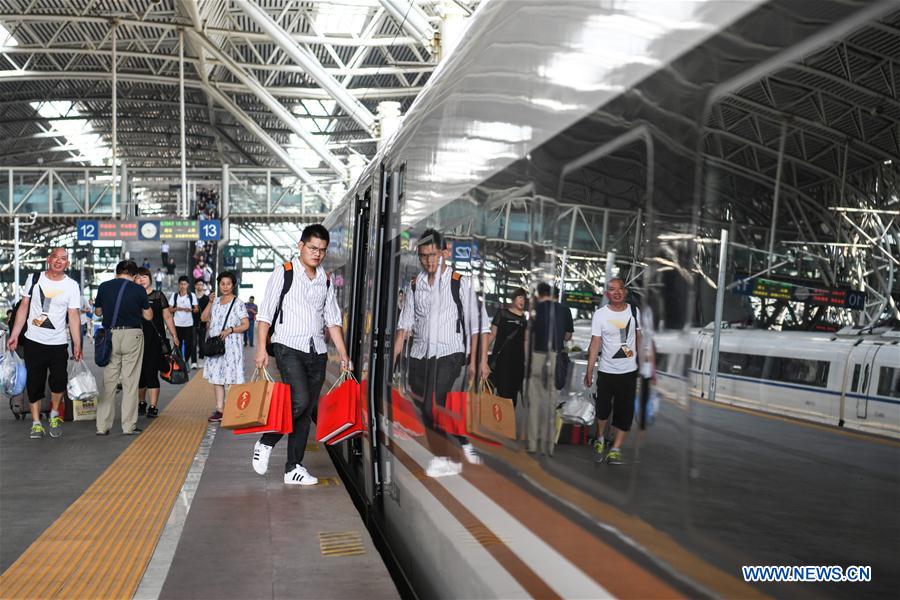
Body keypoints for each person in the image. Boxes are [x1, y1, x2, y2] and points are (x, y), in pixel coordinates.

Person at [251, 224, 351, 486]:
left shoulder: (325, 280)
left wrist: (343, 354)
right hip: (287, 347)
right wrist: (261, 348)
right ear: (300, 246)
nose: (317, 254)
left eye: (322, 250)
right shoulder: (284, 273)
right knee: (300, 399)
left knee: (306, 411)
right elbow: (264, 315)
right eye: (313, 248)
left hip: (316, 351)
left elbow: (332, 321)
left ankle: (293, 468)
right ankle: (267, 441)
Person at [392, 230, 491, 478]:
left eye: (434, 255)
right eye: (424, 256)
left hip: (450, 352)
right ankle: (463, 442)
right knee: (429, 404)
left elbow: (480, 325)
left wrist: (480, 362)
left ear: (444, 252)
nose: (429, 261)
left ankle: (447, 458)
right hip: (420, 354)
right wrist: (389, 362)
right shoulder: (415, 286)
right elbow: (404, 327)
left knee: (433, 403)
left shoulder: (459, 282)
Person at [6, 248, 83, 439]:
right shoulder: (34, 279)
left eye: (63, 258)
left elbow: (73, 315)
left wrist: (77, 343)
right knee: (35, 383)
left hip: (58, 343)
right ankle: (36, 422)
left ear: (68, 264)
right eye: (55, 257)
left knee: (59, 381)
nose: (58, 261)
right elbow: (23, 307)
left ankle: (55, 412)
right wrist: (14, 334)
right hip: (34, 341)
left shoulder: (72, 286)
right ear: (48, 260)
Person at [583, 278, 643, 465]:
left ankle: (615, 448)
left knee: (624, 412)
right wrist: (589, 370)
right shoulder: (600, 315)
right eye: (612, 289)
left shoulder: (634, 312)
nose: (616, 292)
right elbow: (595, 344)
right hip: (607, 370)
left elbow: (639, 339)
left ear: (625, 292)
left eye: (620, 289)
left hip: (629, 371)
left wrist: (643, 364)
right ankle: (600, 437)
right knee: (603, 409)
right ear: (607, 293)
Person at [94, 260, 152, 435]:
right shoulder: (139, 290)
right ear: (134, 276)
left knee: (109, 382)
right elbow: (148, 316)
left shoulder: (104, 287)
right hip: (132, 335)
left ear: (117, 272)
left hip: (111, 335)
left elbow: (97, 312)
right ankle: (128, 426)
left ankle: (102, 426)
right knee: (130, 382)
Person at [527, 282, 573, 455]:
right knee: (551, 402)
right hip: (554, 357)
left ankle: (532, 444)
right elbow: (568, 336)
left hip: (537, 356)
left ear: (540, 294)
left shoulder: (535, 310)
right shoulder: (565, 310)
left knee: (534, 401)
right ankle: (549, 445)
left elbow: (529, 336)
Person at [201, 271, 249, 422]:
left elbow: (246, 325)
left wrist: (231, 330)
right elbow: (203, 318)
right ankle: (220, 410)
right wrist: (209, 302)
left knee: (231, 378)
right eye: (222, 284)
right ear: (218, 284)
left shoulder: (238, 303)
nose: (225, 286)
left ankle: (232, 410)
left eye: (228, 284)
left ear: (233, 285)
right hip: (216, 344)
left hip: (232, 346)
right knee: (217, 378)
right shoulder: (215, 302)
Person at [135, 267, 178, 419]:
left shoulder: (158, 296)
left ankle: (153, 406)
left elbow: (167, 317)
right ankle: (141, 402)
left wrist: (174, 335)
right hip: (136, 341)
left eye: (144, 276)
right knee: (139, 375)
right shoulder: (133, 296)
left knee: (151, 373)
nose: (141, 279)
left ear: (150, 278)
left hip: (154, 341)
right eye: (138, 277)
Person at [488, 287, 528, 405]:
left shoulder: (525, 320)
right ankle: (498, 419)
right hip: (501, 360)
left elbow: (526, 341)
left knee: (512, 393)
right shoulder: (502, 314)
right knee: (501, 390)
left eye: (524, 299)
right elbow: (492, 334)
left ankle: (508, 420)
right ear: (513, 299)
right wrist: (482, 351)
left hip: (518, 362)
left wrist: (526, 362)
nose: (522, 301)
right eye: (520, 297)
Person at [169, 276, 199, 370]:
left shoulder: (192, 296)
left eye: (184, 284)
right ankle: (180, 363)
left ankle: (186, 360)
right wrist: (177, 308)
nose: (183, 286)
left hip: (188, 324)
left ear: (188, 285)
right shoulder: (174, 296)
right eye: (181, 284)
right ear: (179, 285)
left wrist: (190, 310)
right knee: (178, 344)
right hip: (177, 324)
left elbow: (196, 309)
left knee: (189, 344)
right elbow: (169, 309)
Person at [194, 280, 210, 364]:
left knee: (201, 341)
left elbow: (209, 310)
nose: (200, 286)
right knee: (193, 342)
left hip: (203, 322)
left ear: (203, 286)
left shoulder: (206, 298)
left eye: (201, 284)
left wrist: (208, 321)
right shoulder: (192, 297)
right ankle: (194, 361)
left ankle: (201, 358)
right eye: (198, 284)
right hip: (192, 322)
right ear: (195, 286)